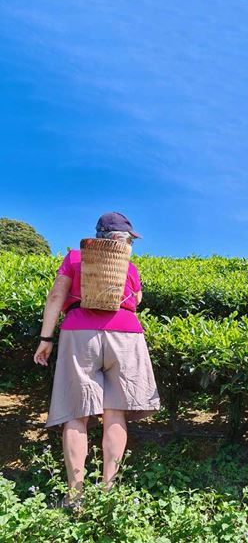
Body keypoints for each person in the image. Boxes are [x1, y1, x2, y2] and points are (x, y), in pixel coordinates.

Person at [34, 212, 160, 506]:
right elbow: (137, 300)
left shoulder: (74, 258)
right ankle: (108, 494)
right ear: (123, 241)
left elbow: (55, 297)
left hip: (80, 333)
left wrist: (45, 339)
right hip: (126, 334)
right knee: (115, 413)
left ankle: (74, 497)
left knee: (76, 415)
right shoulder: (129, 267)